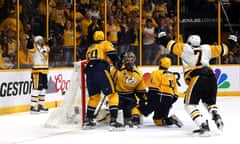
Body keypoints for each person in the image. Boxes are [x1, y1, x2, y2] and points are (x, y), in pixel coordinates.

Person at [158, 32, 238, 135]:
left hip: (198, 77)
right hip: (211, 77)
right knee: (209, 103)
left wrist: (162, 35)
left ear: (189, 42)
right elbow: (225, 48)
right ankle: (216, 115)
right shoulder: (207, 48)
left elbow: (168, 43)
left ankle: (203, 125)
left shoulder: (185, 48)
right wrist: (232, 39)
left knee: (189, 105)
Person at [84, 30, 124, 130]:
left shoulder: (90, 47)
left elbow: (87, 60)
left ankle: (88, 119)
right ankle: (113, 120)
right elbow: (112, 53)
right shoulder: (105, 43)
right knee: (113, 94)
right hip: (100, 69)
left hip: (89, 71)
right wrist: (117, 62)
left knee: (94, 97)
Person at [138, 56, 183, 128]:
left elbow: (153, 89)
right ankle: (170, 120)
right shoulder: (172, 75)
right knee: (158, 120)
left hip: (159, 98)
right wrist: (169, 103)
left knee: (143, 110)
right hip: (169, 99)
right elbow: (176, 93)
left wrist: (146, 100)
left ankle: (134, 119)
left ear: (160, 64)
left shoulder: (156, 72)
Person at [111, 51, 147, 127]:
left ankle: (115, 117)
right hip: (130, 97)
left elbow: (111, 82)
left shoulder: (117, 70)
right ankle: (135, 116)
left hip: (119, 97)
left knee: (115, 106)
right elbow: (141, 91)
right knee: (135, 107)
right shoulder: (138, 72)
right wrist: (143, 100)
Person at [27, 35, 50, 114]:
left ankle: (41, 105)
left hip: (45, 71)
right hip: (37, 72)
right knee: (36, 89)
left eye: (42, 40)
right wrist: (30, 41)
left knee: (43, 89)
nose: (42, 41)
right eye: (40, 40)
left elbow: (50, 46)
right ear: (37, 41)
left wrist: (50, 40)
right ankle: (33, 106)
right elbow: (29, 47)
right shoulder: (34, 48)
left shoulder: (45, 48)